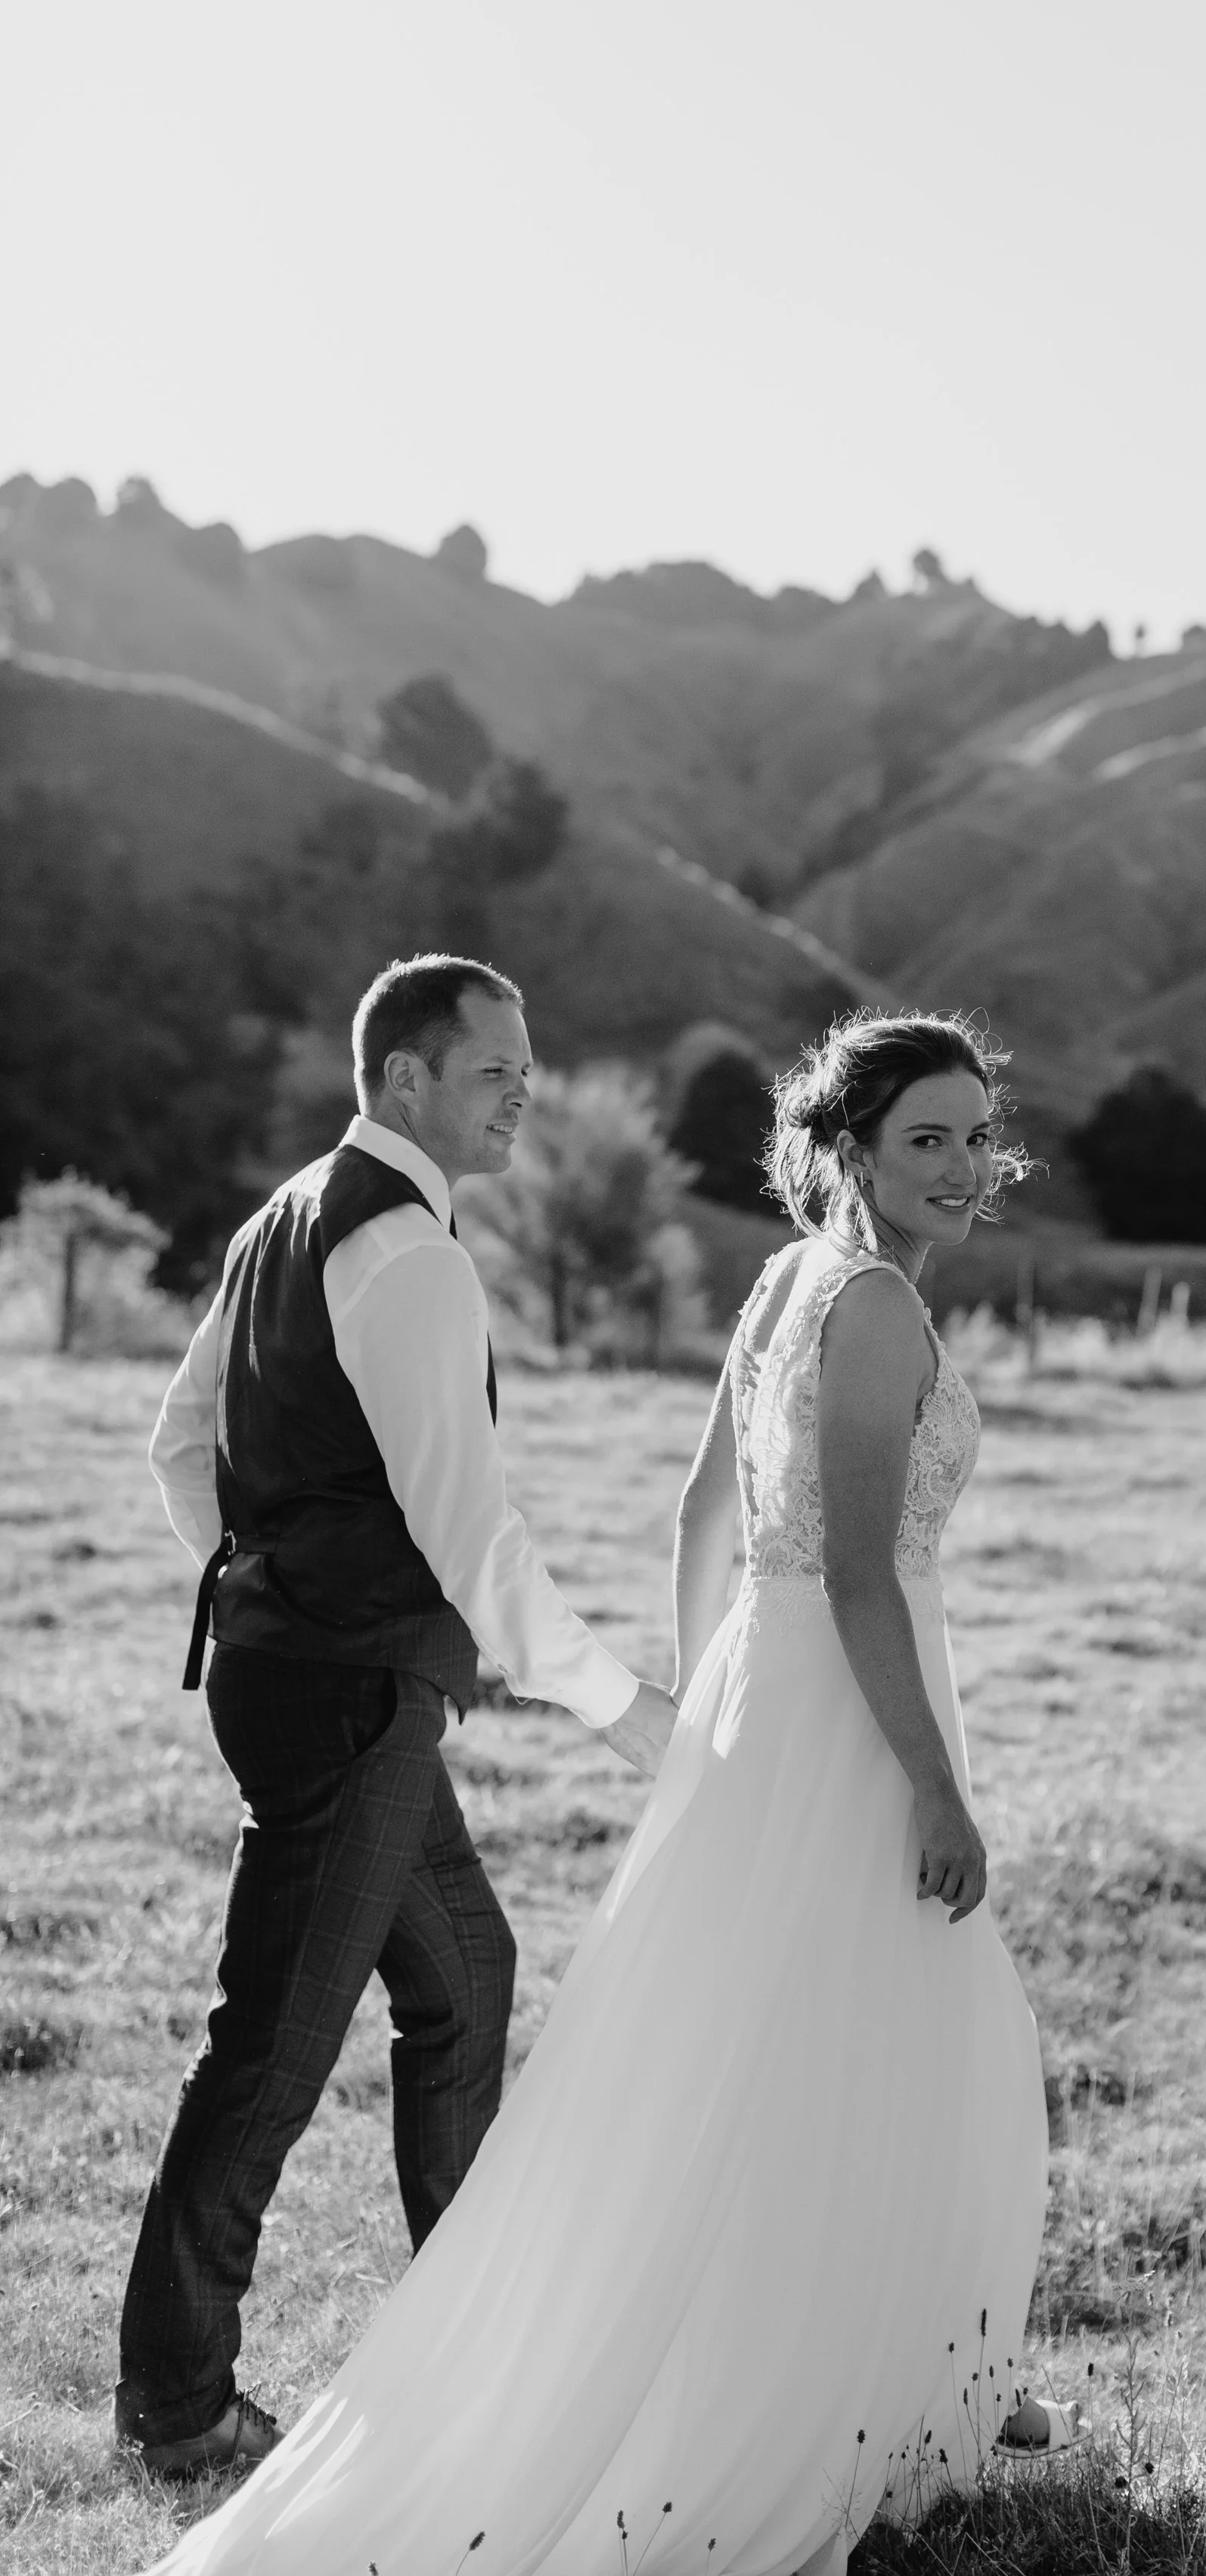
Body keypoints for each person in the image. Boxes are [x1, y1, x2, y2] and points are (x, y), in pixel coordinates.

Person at [139, 1008, 1068, 2576]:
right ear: (846, 1153)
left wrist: (720, 1710)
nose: (967, 1167)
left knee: (751, 2039)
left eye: (979, 1136)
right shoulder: (875, 1316)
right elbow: (850, 1567)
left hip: (768, 1706)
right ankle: (852, 2396)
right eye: (927, 1140)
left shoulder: (780, 1280)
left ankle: (895, 2380)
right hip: (846, 1710)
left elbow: (708, 1509)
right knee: (882, 2032)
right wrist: (925, 1783)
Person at [119, 954, 674, 2481]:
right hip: (348, 1696)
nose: (523, 1089)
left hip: (297, 1675)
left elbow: (179, 1450)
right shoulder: (410, 1255)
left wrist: (269, 1590)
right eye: (495, 1063)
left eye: (526, 1064)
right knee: (273, 2050)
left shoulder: (277, 1220)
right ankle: (177, 2407)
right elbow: (469, 1531)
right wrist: (623, 1708)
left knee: (469, 1971)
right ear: (408, 1077)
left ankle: (473, 2330)